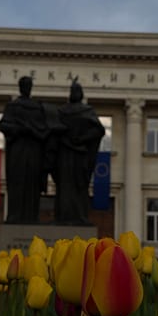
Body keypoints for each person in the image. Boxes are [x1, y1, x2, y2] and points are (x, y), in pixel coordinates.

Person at [51, 80, 105, 225]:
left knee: (79, 185)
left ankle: (79, 216)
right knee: (66, 186)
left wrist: (81, 138)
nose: (75, 93)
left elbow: (99, 130)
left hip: (78, 155)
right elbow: (53, 131)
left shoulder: (84, 111)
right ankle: (64, 217)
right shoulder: (64, 111)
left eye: (76, 91)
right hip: (67, 154)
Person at [0, 76, 49, 224]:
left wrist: (33, 131)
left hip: (33, 151)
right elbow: (3, 126)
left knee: (32, 183)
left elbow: (45, 131)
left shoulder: (37, 108)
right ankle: (15, 215)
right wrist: (19, 129)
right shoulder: (13, 106)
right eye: (25, 85)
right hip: (18, 150)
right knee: (17, 182)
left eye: (28, 85)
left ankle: (31, 216)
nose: (27, 88)